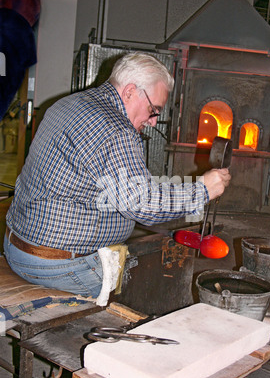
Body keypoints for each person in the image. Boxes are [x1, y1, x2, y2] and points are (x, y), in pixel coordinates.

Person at [4, 52, 231, 300]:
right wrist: (203, 190)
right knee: (147, 294)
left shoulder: (69, 103)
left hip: (17, 246)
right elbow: (142, 204)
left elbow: (119, 187)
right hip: (58, 267)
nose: (153, 121)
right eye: (153, 110)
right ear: (130, 91)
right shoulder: (115, 129)